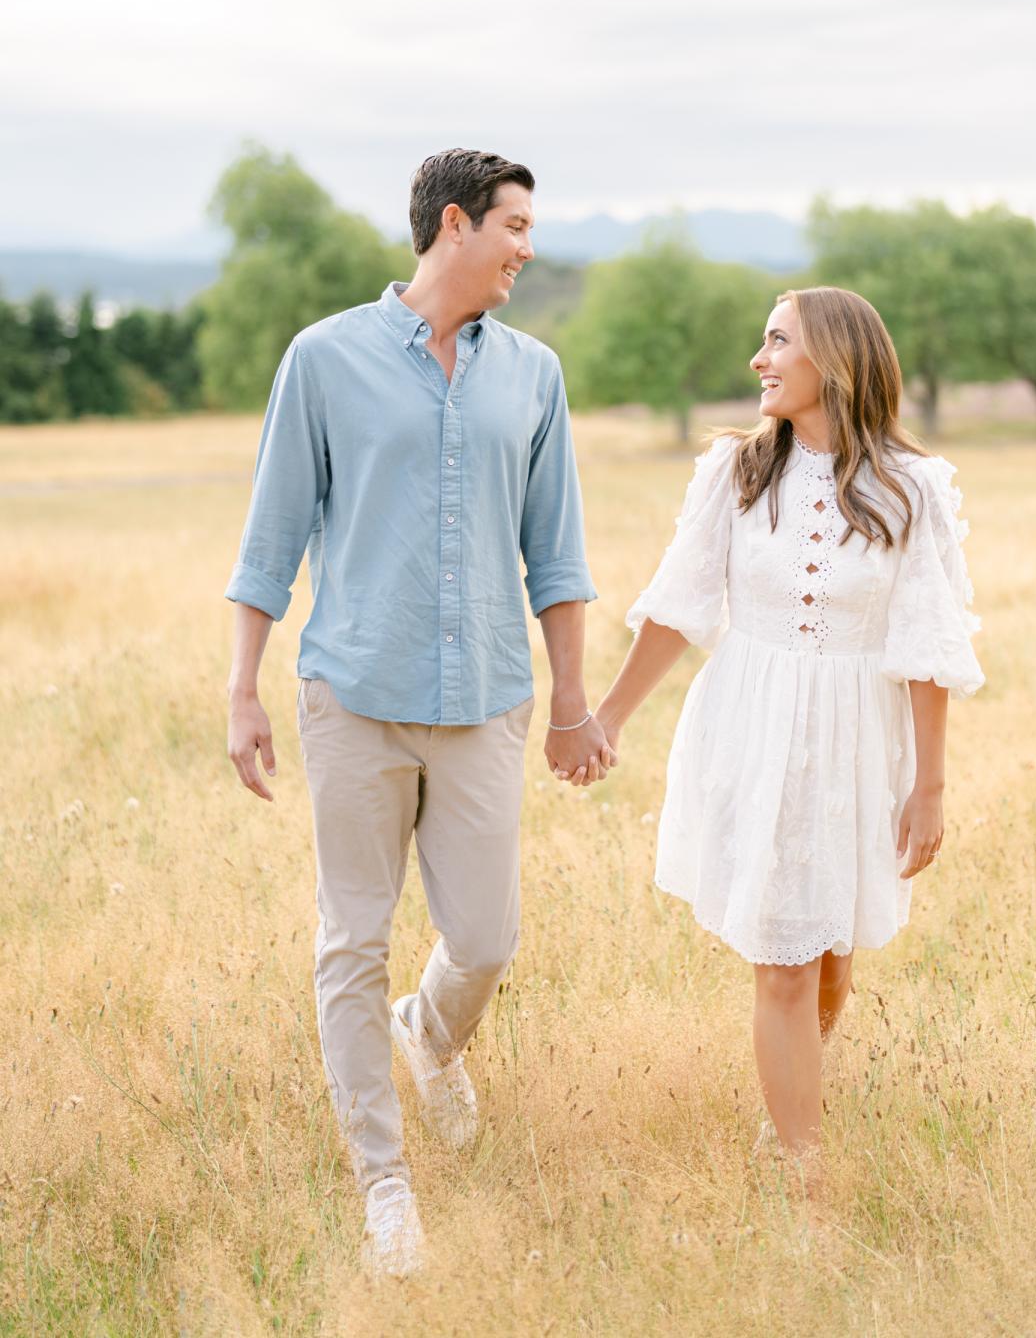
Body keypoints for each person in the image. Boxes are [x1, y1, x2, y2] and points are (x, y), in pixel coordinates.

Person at [223, 149, 613, 1277]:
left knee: (486, 938)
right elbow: (272, 535)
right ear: (456, 224)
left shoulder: (532, 375)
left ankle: (429, 1035)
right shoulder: (325, 359)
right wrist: (243, 686)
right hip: (353, 695)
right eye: (516, 227)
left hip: (488, 697)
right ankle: (383, 1189)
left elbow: (560, 555)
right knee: (351, 937)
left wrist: (573, 703)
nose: (528, 250)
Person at [591, 286, 984, 1193]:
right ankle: (804, 1176)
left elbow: (927, 643)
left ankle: (791, 1099)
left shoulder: (911, 488)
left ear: (835, 362)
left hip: (856, 740)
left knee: (832, 958)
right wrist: (607, 716)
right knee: (782, 962)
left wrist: (930, 786)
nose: (760, 361)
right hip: (751, 727)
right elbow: (678, 608)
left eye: (777, 343)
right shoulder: (734, 473)